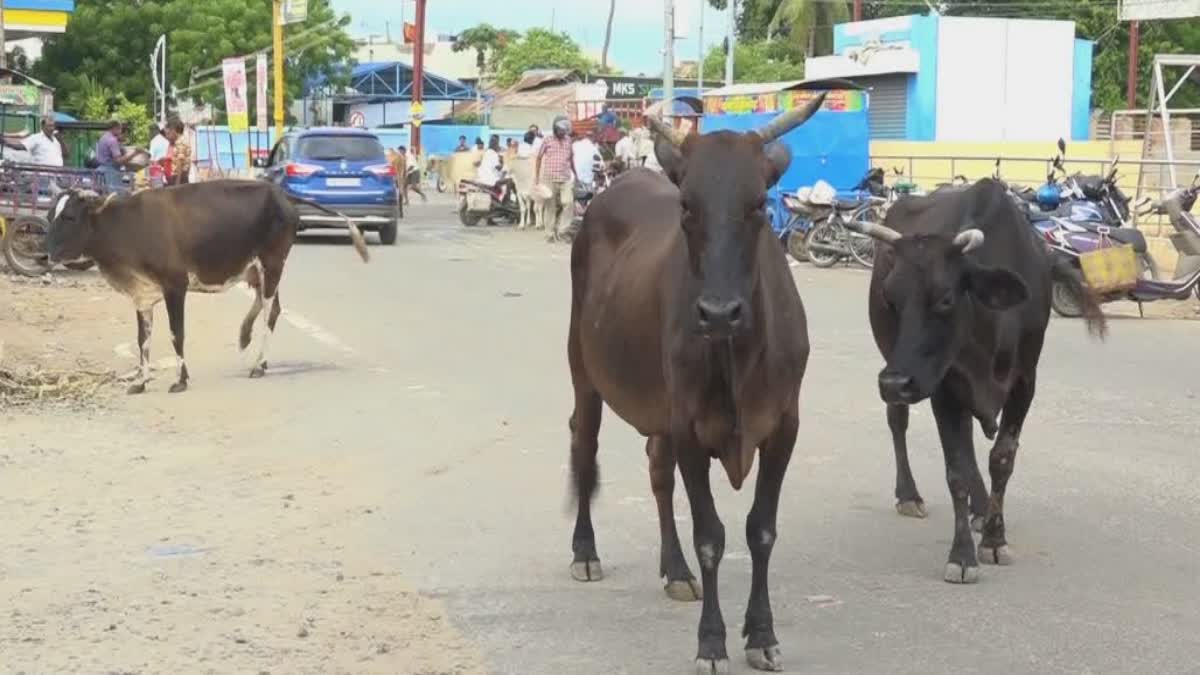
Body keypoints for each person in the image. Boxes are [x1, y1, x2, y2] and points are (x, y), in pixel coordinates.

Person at [534, 115, 576, 243]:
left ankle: (563, 231)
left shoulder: (569, 140)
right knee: (550, 207)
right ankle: (549, 234)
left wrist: (576, 174)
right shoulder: (547, 140)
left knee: (568, 203)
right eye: (560, 130)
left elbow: (571, 158)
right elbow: (539, 158)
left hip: (565, 178)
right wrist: (536, 177)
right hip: (549, 178)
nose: (562, 133)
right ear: (555, 129)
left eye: (564, 131)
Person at [95, 120, 142, 194]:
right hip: (110, 172)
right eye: (119, 129)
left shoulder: (103, 138)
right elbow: (118, 160)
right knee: (115, 197)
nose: (120, 132)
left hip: (101, 170)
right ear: (115, 128)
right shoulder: (112, 140)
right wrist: (135, 153)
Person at [168, 119, 191, 186]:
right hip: (182, 176)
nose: (169, 133)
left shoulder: (180, 142)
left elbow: (180, 161)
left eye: (170, 131)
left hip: (179, 177)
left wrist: (177, 182)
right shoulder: (182, 140)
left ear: (173, 130)